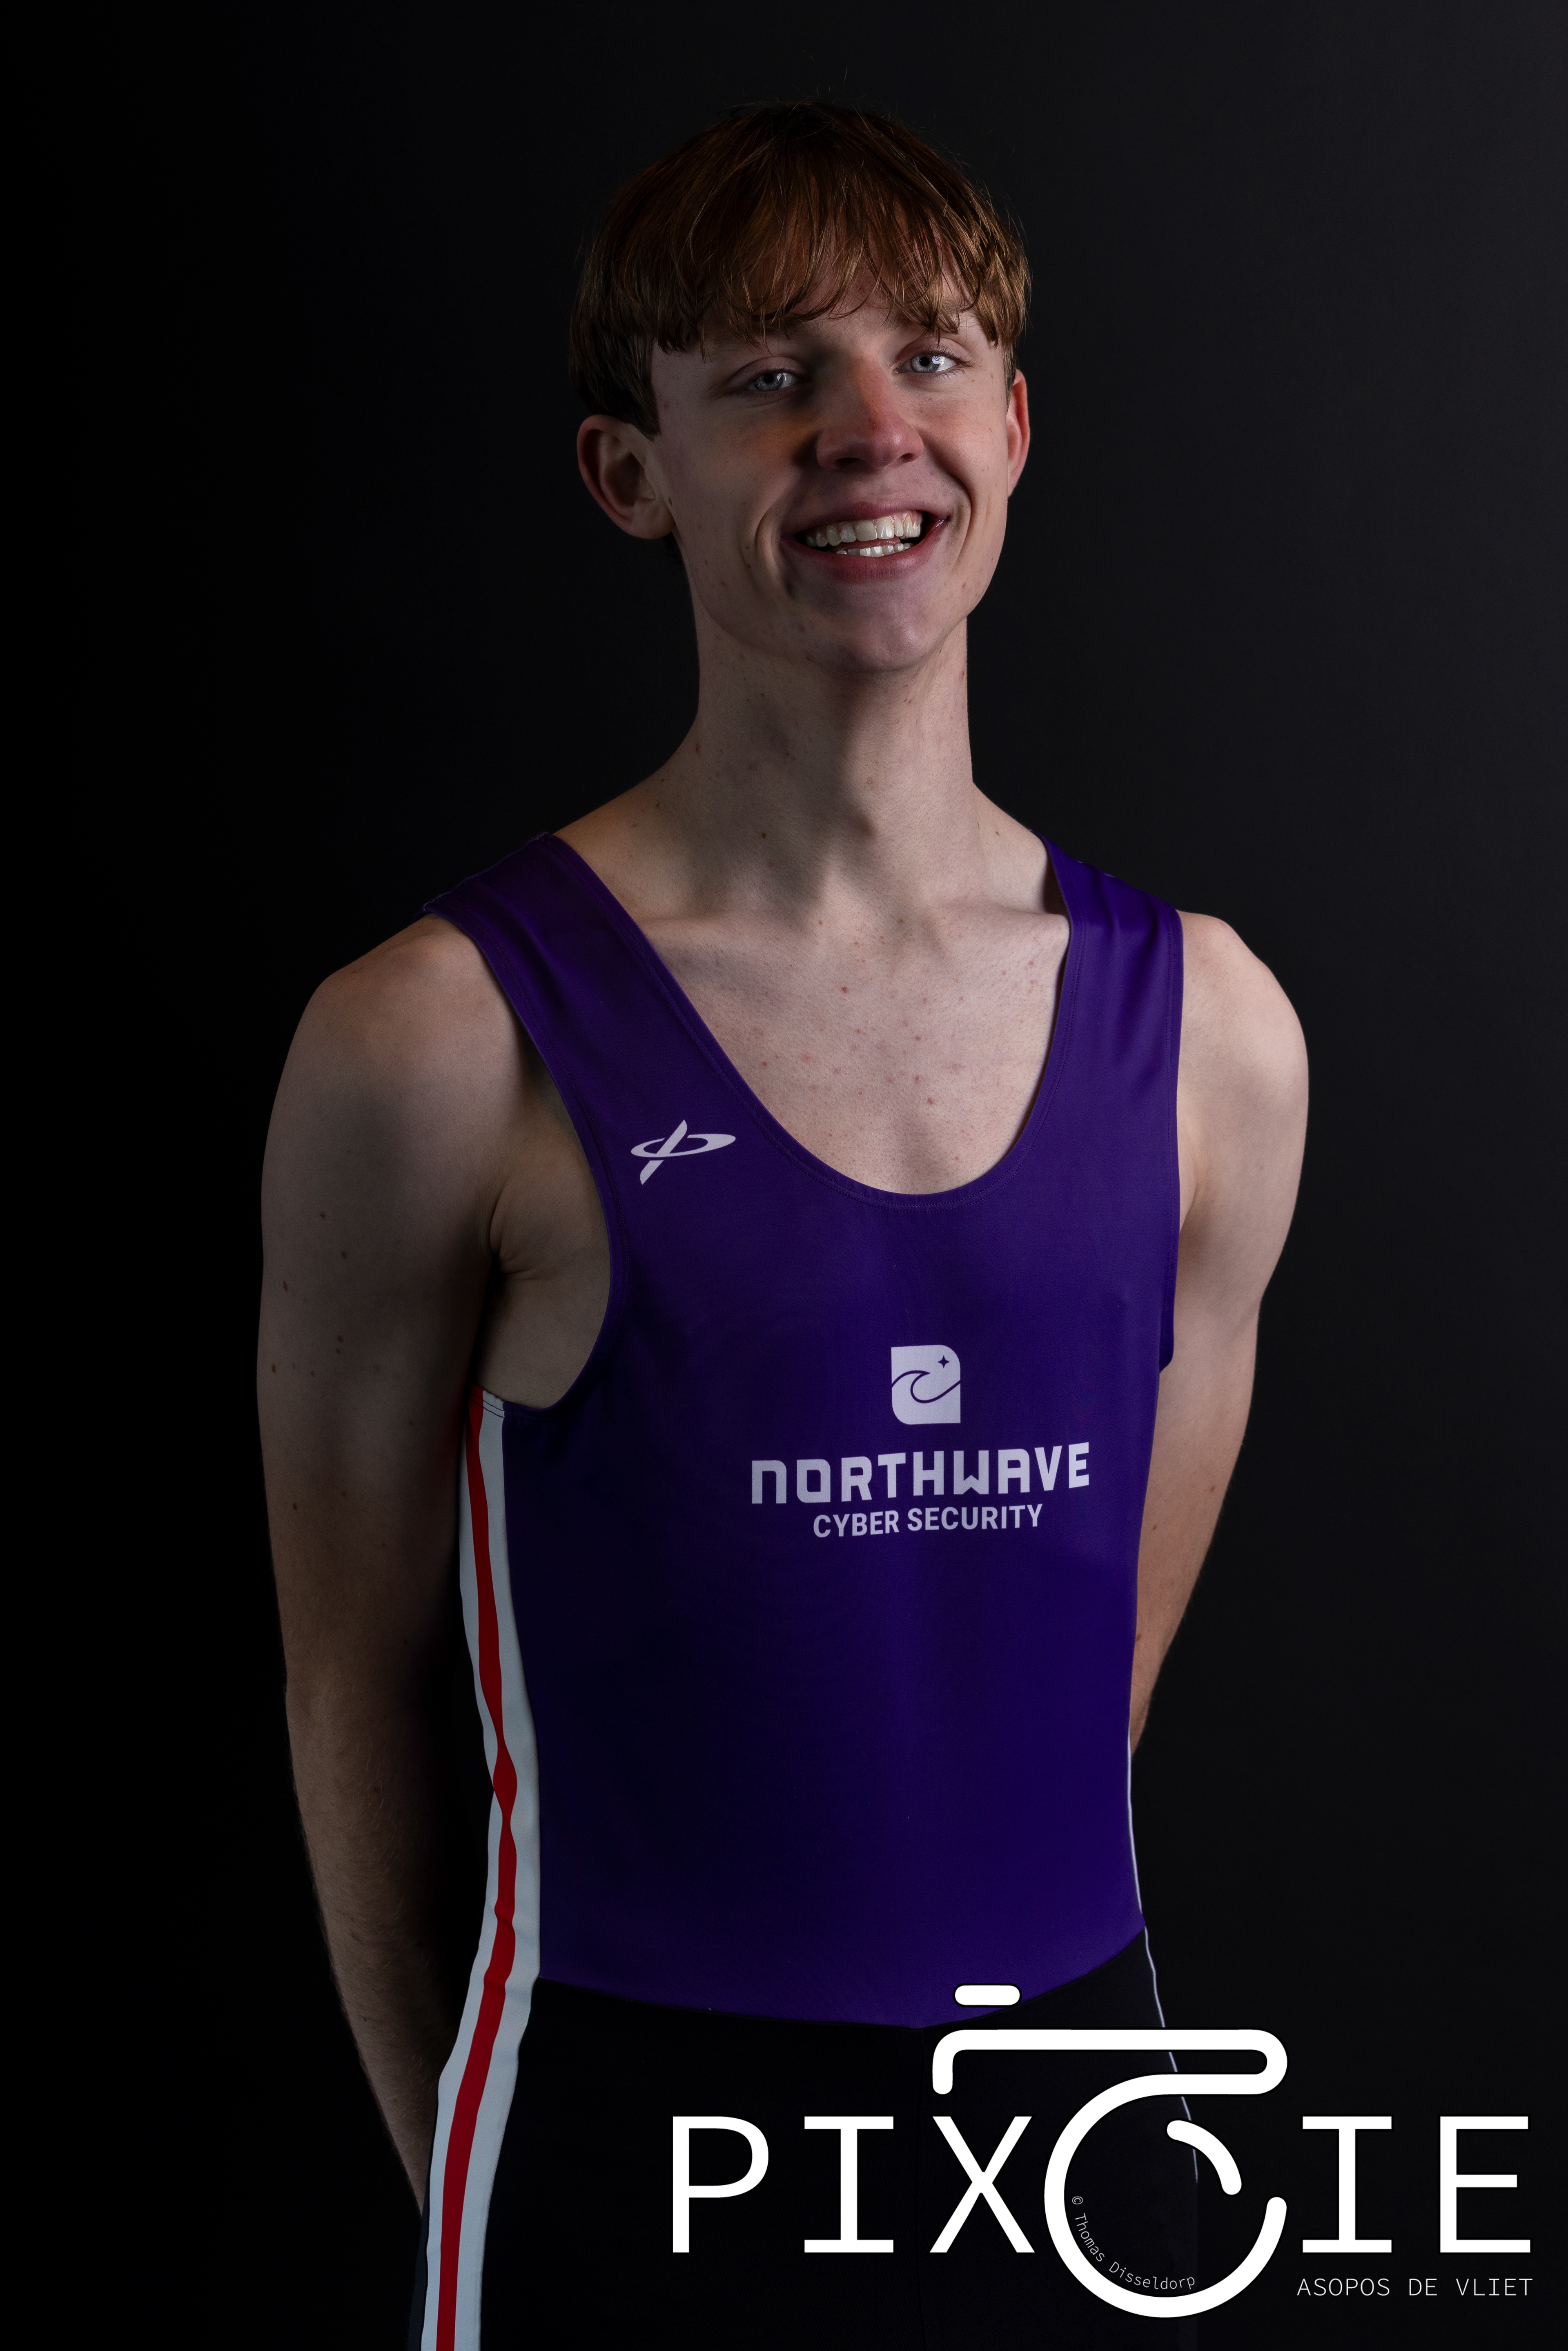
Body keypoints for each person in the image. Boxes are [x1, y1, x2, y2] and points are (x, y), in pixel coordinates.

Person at [260, 102, 1307, 2349]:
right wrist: (473, 2164)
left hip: (1073, 2130)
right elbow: (350, 1677)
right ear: (628, 470)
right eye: (768, 373)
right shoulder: (438, 1039)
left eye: (931, 358)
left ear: (1012, 430)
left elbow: (1070, 1702)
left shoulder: (1209, 1030)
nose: (868, 430)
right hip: (629, 2144)